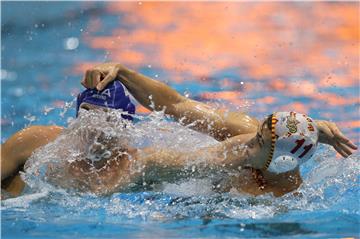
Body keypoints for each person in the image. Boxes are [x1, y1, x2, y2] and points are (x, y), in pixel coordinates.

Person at [1, 63, 357, 198]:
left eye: (261, 141)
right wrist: (122, 71)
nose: (251, 138)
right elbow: (176, 106)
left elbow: (206, 158)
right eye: (262, 127)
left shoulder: (286, 191)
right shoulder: (246, 134)